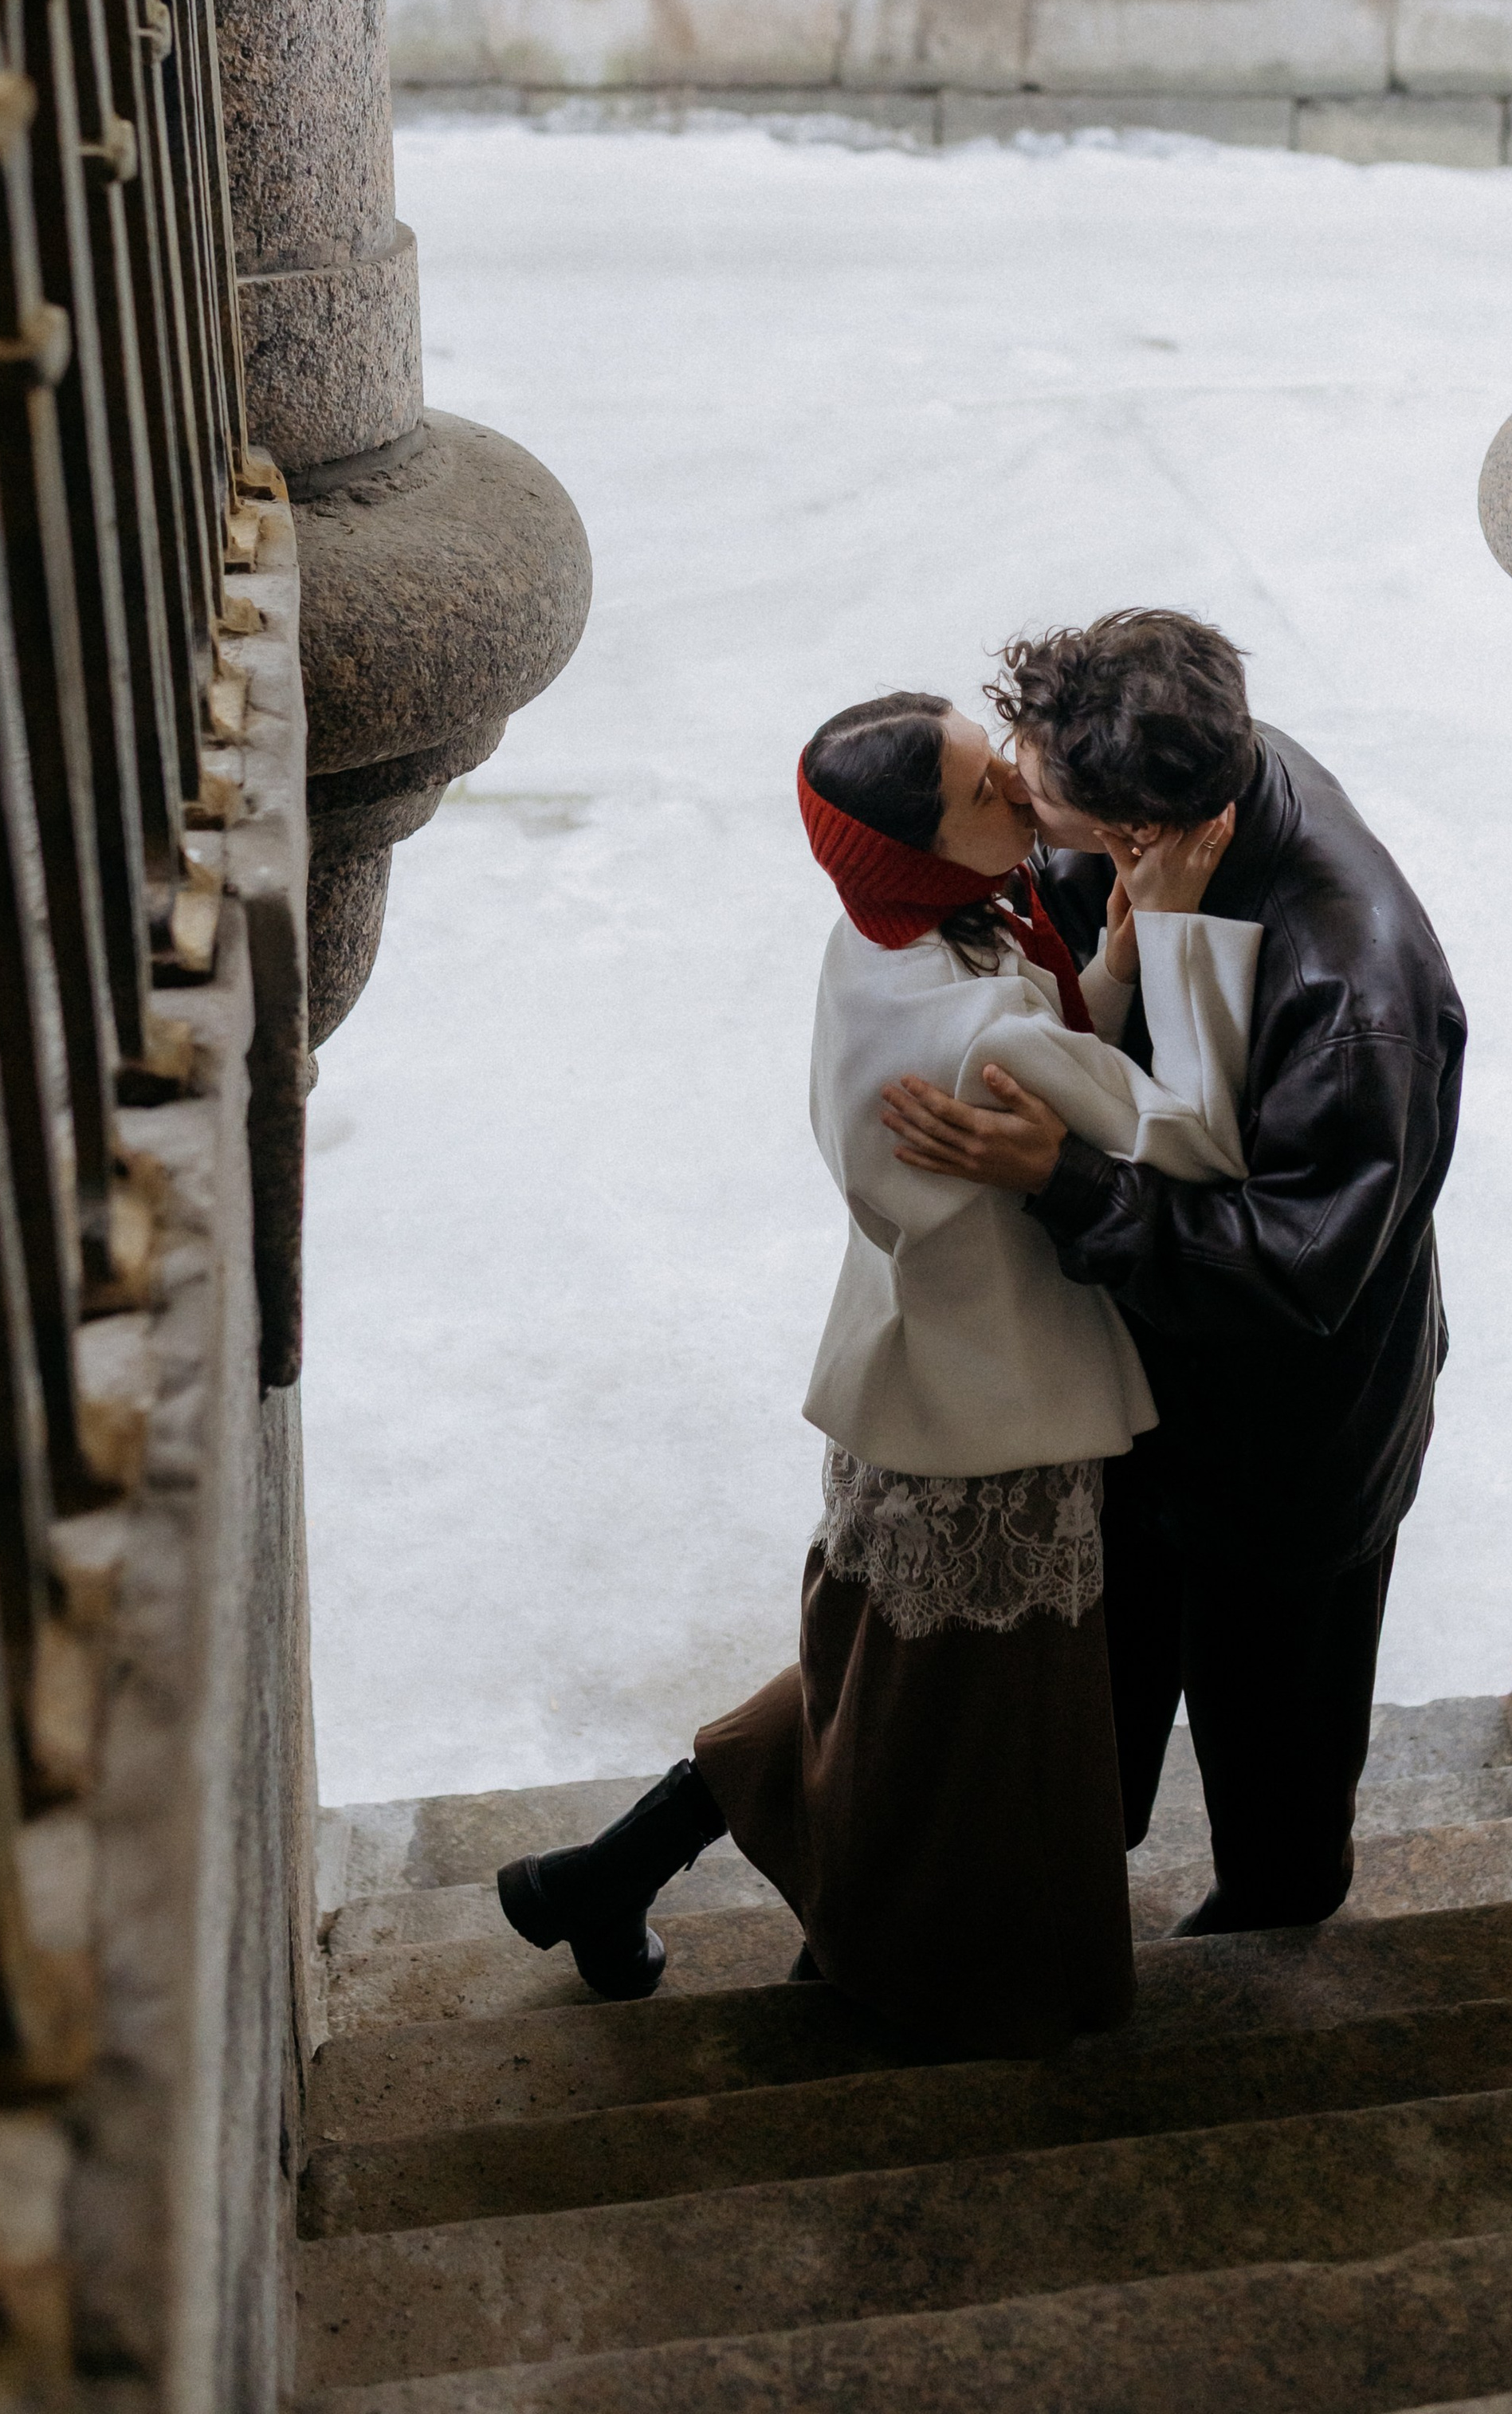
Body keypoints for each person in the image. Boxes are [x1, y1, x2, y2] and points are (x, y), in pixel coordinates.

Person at [497, 686, 1252, 2048]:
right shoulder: (988, 1024)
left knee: (876, 1668)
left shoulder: (878, 938)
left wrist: (1117, 964)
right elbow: (1191, 1140)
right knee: (946, 1719)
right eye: (985, 791)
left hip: (910, 1375)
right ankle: (903, 1975)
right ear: (918, 847)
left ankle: (600, 1876)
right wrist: (1185, 940)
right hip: (994, 1410)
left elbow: (1046, 1040)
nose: (1022, 793)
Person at [882, 612, 1466, 1936]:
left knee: (1278, 1761)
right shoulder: (1193, 780)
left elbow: (1295, 1270)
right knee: (1099, 1717)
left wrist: (1064, 1181)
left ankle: (1268, 1941)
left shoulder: (1352, 984)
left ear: (1143, 833)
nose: (1016, 791)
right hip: (1141, 1387)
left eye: (1042, 796)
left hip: (1290, 1439)